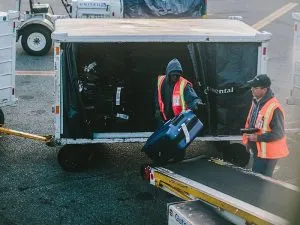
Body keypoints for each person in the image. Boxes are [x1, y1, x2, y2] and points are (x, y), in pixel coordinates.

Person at [242, 74, 289, 177]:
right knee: (257, 180)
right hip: (259, 151)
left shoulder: (274, 108)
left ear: (264, 89)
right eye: (252, 87)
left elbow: (279, 133)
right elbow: (250, 122)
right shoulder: (256, 102)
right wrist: (247, 141)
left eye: (255, 87)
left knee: (261, 182)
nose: (252, 89)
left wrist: (258, 137)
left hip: (269, 155)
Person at [154, 58, 203, 127]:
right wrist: (157, 109)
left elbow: (192, 98)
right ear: (168, 74)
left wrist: (197, 103)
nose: (175, 77)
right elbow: (157, 97)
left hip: (179, 121)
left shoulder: (184, 85)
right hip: (164, 118)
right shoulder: (161, 81)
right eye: (173, 75)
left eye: (177, 75)